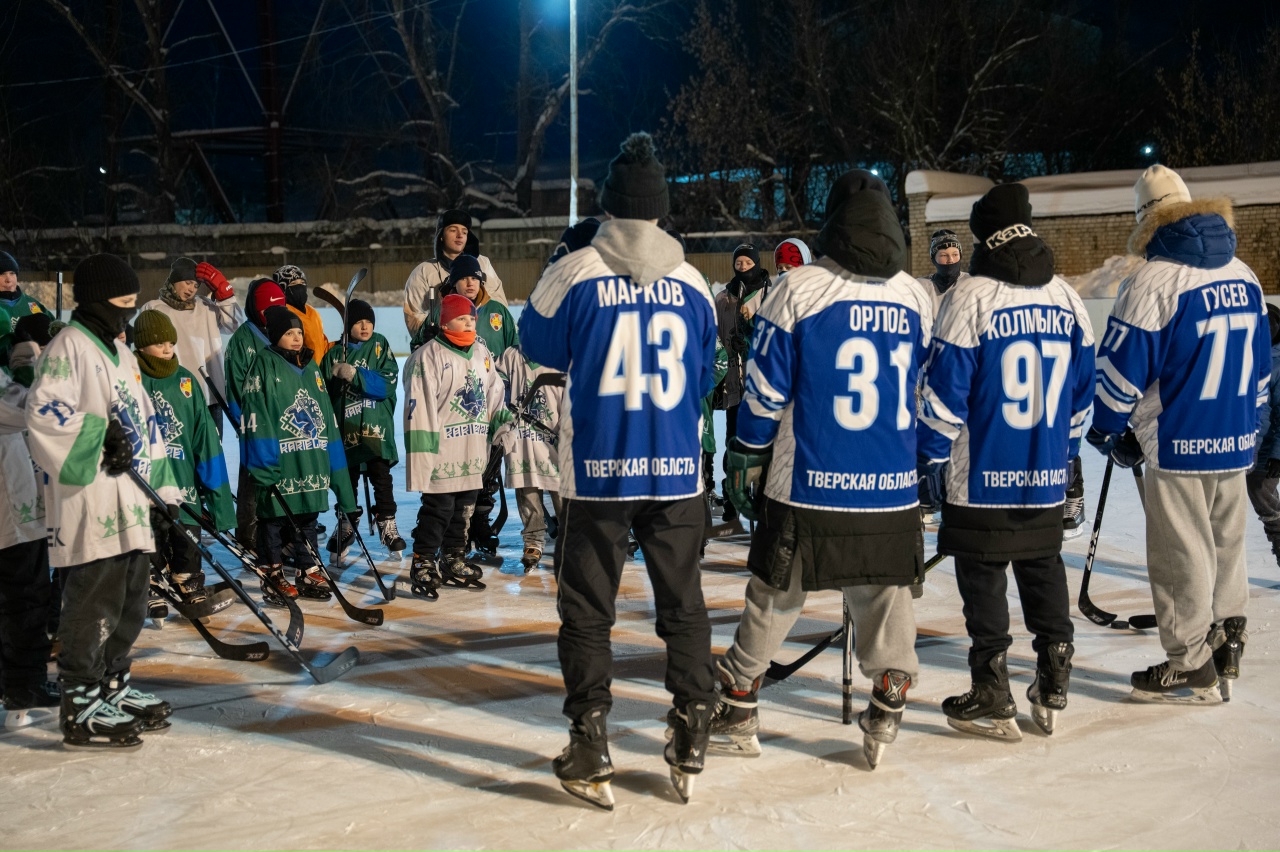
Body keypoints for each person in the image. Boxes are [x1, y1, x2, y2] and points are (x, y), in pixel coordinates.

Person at [520, 132, 719, 808]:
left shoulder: (578, 268)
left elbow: (534, 341)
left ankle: (590, 735)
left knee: (587, 609)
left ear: (607, 206)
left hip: (598, 470)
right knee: (683, 603)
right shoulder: (692, 280)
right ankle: (693, 725)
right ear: (662, 210)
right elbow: (701, 374)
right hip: (674, 467)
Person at [714, 170, 933, 769]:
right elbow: (924, 385)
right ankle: (889, 697)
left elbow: (763, 389)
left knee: (775, 593)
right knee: (885, 594)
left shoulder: (800, 289)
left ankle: (738, 701)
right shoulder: (916, 295)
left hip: (808, 477)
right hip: (887, 484)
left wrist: (749, 447)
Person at [918, 183, 1095, 739]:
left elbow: (946, 396)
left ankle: (992, 688)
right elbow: (1081, 393)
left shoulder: (969, 298)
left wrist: (928, 456)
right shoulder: (1066, 297)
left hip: (979, 471)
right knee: (1043, 563)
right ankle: (1055, 671)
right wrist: (1063, 454)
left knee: (982, 571)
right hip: (1042, 470)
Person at [1089, 164, 1266, 703]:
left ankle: (1190, 659)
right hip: (1234, 433)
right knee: (1226, 542)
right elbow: (1261, 365)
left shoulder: (1153, 279)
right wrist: (1252, 423)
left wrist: (1107, 428)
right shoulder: (1243, 273)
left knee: (1179, 552)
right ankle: (1228, 632)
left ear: (1145, 219)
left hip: (1177, 436)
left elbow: (1122, 368)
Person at [26, 253, 181, 749]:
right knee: (93, 601)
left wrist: (166, 493)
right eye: (121, 306)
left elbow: (146, 423)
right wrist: (96, 435)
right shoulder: (68, 346)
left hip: (131, 499)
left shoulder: (124, 353)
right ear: (94, 303)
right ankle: (81, 699)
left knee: (130, 600)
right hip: (90, 501)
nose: (128, 317)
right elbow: (43, 414)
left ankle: (113, 682)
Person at [241, 307, 358, 605]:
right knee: (275, 520)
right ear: (274, 336)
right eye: (288, 333)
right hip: (281, 463)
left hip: (311, 461)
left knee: (307, 516)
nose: (296, 338)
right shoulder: (263, 364)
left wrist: (336, 471)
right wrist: (265, 464)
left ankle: (307, 568)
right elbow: (257, 416)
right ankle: (273, 571)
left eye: (299, 333)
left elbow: (325, 417)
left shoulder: (312, 368)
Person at [402, 294, 509, 597]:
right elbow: (419, 410)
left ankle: (453, 557)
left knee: (464, 510)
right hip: (442, 452)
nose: (469, 323)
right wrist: (422, 457)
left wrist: (502, 423)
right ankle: (423, 560)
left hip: (472, 451)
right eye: (462, 318)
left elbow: (494, 393)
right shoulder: (428, 357)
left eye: (472, 319)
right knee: (438, 510)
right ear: (444, 320)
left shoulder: (481, 353)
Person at [133, 310, 235, 607]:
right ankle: (151, 580)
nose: (167, 349)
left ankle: (187, 579)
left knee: (187, 538)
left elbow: (206, 441)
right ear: (140, 346)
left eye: (170, 342)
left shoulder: (186, 381)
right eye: (159, 343)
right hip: (146, 485)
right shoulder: (130, 379)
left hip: (184, 484)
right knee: (149, 537)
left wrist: (219, 505)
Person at [433, 253, 518, 560]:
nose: (470, 283)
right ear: (453, 281)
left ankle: (479, 522)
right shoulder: (442, 310)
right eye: (464, 277)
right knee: (457, 467)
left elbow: (514, 351)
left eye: (475, 277)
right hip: (455, 405)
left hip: (492, 401)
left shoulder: (497, 311)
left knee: (489, 470)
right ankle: (453, 529)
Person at [0, 328, 57, 727]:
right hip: (12, 517)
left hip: (18, 508)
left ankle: (19, 681)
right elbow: (30, 411)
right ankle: (23, 684)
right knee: (25, 598)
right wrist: (32, 373)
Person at [320, 299, 405, 558]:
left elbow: (388, 382)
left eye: (369, 321)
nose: (365, 326)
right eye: (358, 322)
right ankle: (346, 521)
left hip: (375, 429)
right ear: (347, 326)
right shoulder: (334, 353)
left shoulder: (379, 345)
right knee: (347, 480)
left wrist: (355, 375)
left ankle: (387, 524)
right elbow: (322, 392)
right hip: (345, 430)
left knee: (381, 477)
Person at [139, 256, 244, 429]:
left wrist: (224, 294)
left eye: (196, 285)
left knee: (212, 453)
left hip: (210, 396)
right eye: (188, 282)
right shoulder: (153, 308)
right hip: (172, 394)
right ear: (175, 279)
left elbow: (236, 325)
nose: (192, 289)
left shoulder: (206, 306)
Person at [223, 278, 288, 549]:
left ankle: (282, 533)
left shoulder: (284, 332)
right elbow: (235, 386)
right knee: (252, 479)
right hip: (255, 424)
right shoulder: (242, 339)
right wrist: (243, 423)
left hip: (285, 423)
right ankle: (248, 535)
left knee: (283, 479)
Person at [914, 229, 971, 525]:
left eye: (954, 255)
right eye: (943, 255)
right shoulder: (921, 286)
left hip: (961, 373)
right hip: (927, 373)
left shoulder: (972, 286)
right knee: (927, 432)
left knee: (958, 435)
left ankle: (956, 494)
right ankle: (926, 497)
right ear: (934, 258)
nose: (949, 260)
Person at [494, 345, 563, 570]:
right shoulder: (511, 356)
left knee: (562, 490)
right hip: (521, 438)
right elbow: (495, 388)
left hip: (553, 437)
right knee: (527, 490)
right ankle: (533, 539)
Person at [403, 210, 509, 339]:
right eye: (453, 230)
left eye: (464, 232)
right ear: (441, 235)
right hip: (444, 345)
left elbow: (499, 305)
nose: (460, 235)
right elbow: (413, 314)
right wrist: (427, 334)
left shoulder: (483, 264)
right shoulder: (424, 271)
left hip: (483, 343)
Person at [1246, 304, 1280, 568]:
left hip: (1268, 451)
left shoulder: (1276, 363)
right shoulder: (1247, 356)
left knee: (1263, 497)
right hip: (1243, 447)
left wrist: (1278, 453)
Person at [0, 250, 53, 371]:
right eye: (2, 274)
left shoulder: (32, 304)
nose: (8, 279)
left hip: (35, 378)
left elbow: (53, 332)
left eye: (12, 273)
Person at [274, 264, 331, 365]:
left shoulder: (313, 313)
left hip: (318, 375)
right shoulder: (281, 314)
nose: (299, 287)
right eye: (293, 283)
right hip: (299, 373)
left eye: (302, 282)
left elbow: (321, 345)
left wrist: (338, 345)